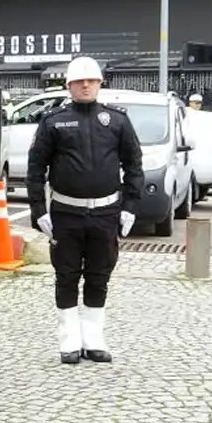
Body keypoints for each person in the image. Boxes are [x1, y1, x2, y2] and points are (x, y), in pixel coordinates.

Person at [26, 56, 144, 365]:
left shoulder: (117, 120)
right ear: (69, 85)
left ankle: (94, 338)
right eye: (80, 81)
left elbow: (134, 165)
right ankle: (69, 340)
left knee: (99, 276)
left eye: (92, 80)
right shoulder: (53, 121)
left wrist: (130, 206)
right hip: (66, 213)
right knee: (66, 276)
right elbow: (36, 169)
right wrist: (39, 211)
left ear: (100, 83)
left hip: (106, 213)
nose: (86, 85)